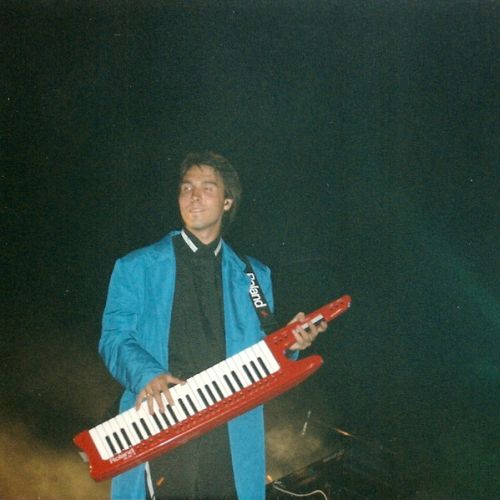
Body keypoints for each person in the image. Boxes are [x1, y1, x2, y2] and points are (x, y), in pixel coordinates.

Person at [99, 151, 327, 500]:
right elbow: (114, 339)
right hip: (161, 421)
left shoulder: (253, 275)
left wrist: (292, 344)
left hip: (229, 429)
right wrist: (147, 374)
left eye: (207, 188)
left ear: (227, 202)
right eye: (186, 187)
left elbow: (265, 356)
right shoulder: (136, 266)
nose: (194, 196)